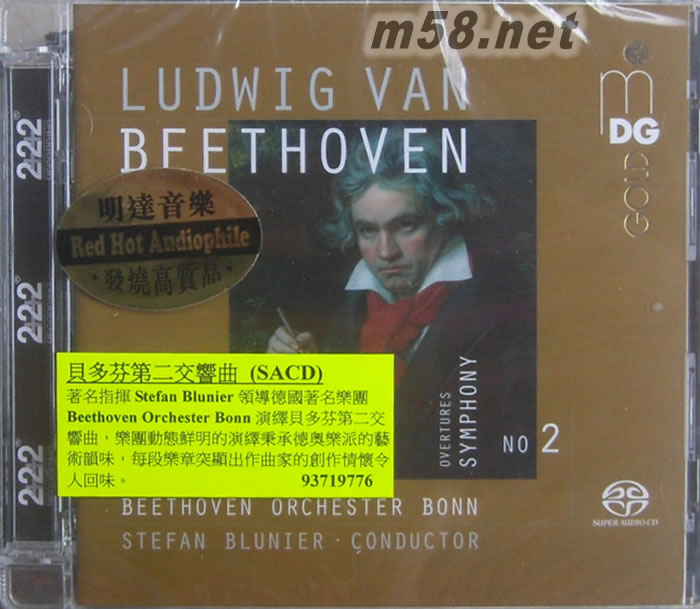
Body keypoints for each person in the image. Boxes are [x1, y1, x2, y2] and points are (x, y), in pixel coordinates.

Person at [267, 127, 536, 479]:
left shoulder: (501, 312)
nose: (385, 252)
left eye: (406, 225)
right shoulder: (350, 310)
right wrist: (307, 382)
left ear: (443, 216)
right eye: (368, 230)